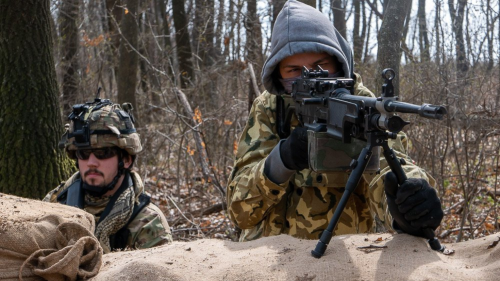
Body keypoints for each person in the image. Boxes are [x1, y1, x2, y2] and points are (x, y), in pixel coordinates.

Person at [227, 0, 443, 242]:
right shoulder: (270, 107)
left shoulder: (359, 102)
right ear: (278, 73)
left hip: (343, 254)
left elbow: (387, 164)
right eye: (294, 71)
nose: (311, 78)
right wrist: (281, 160)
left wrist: (407, 200)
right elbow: (239, 211)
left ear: (339, 64)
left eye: (321, 66)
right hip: (271, 254)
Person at [44, 97, 173, 253]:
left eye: (103, 153)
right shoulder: (55, 204)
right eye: (84, 153)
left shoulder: (147, 223)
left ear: (126, 159)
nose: (91, 162)